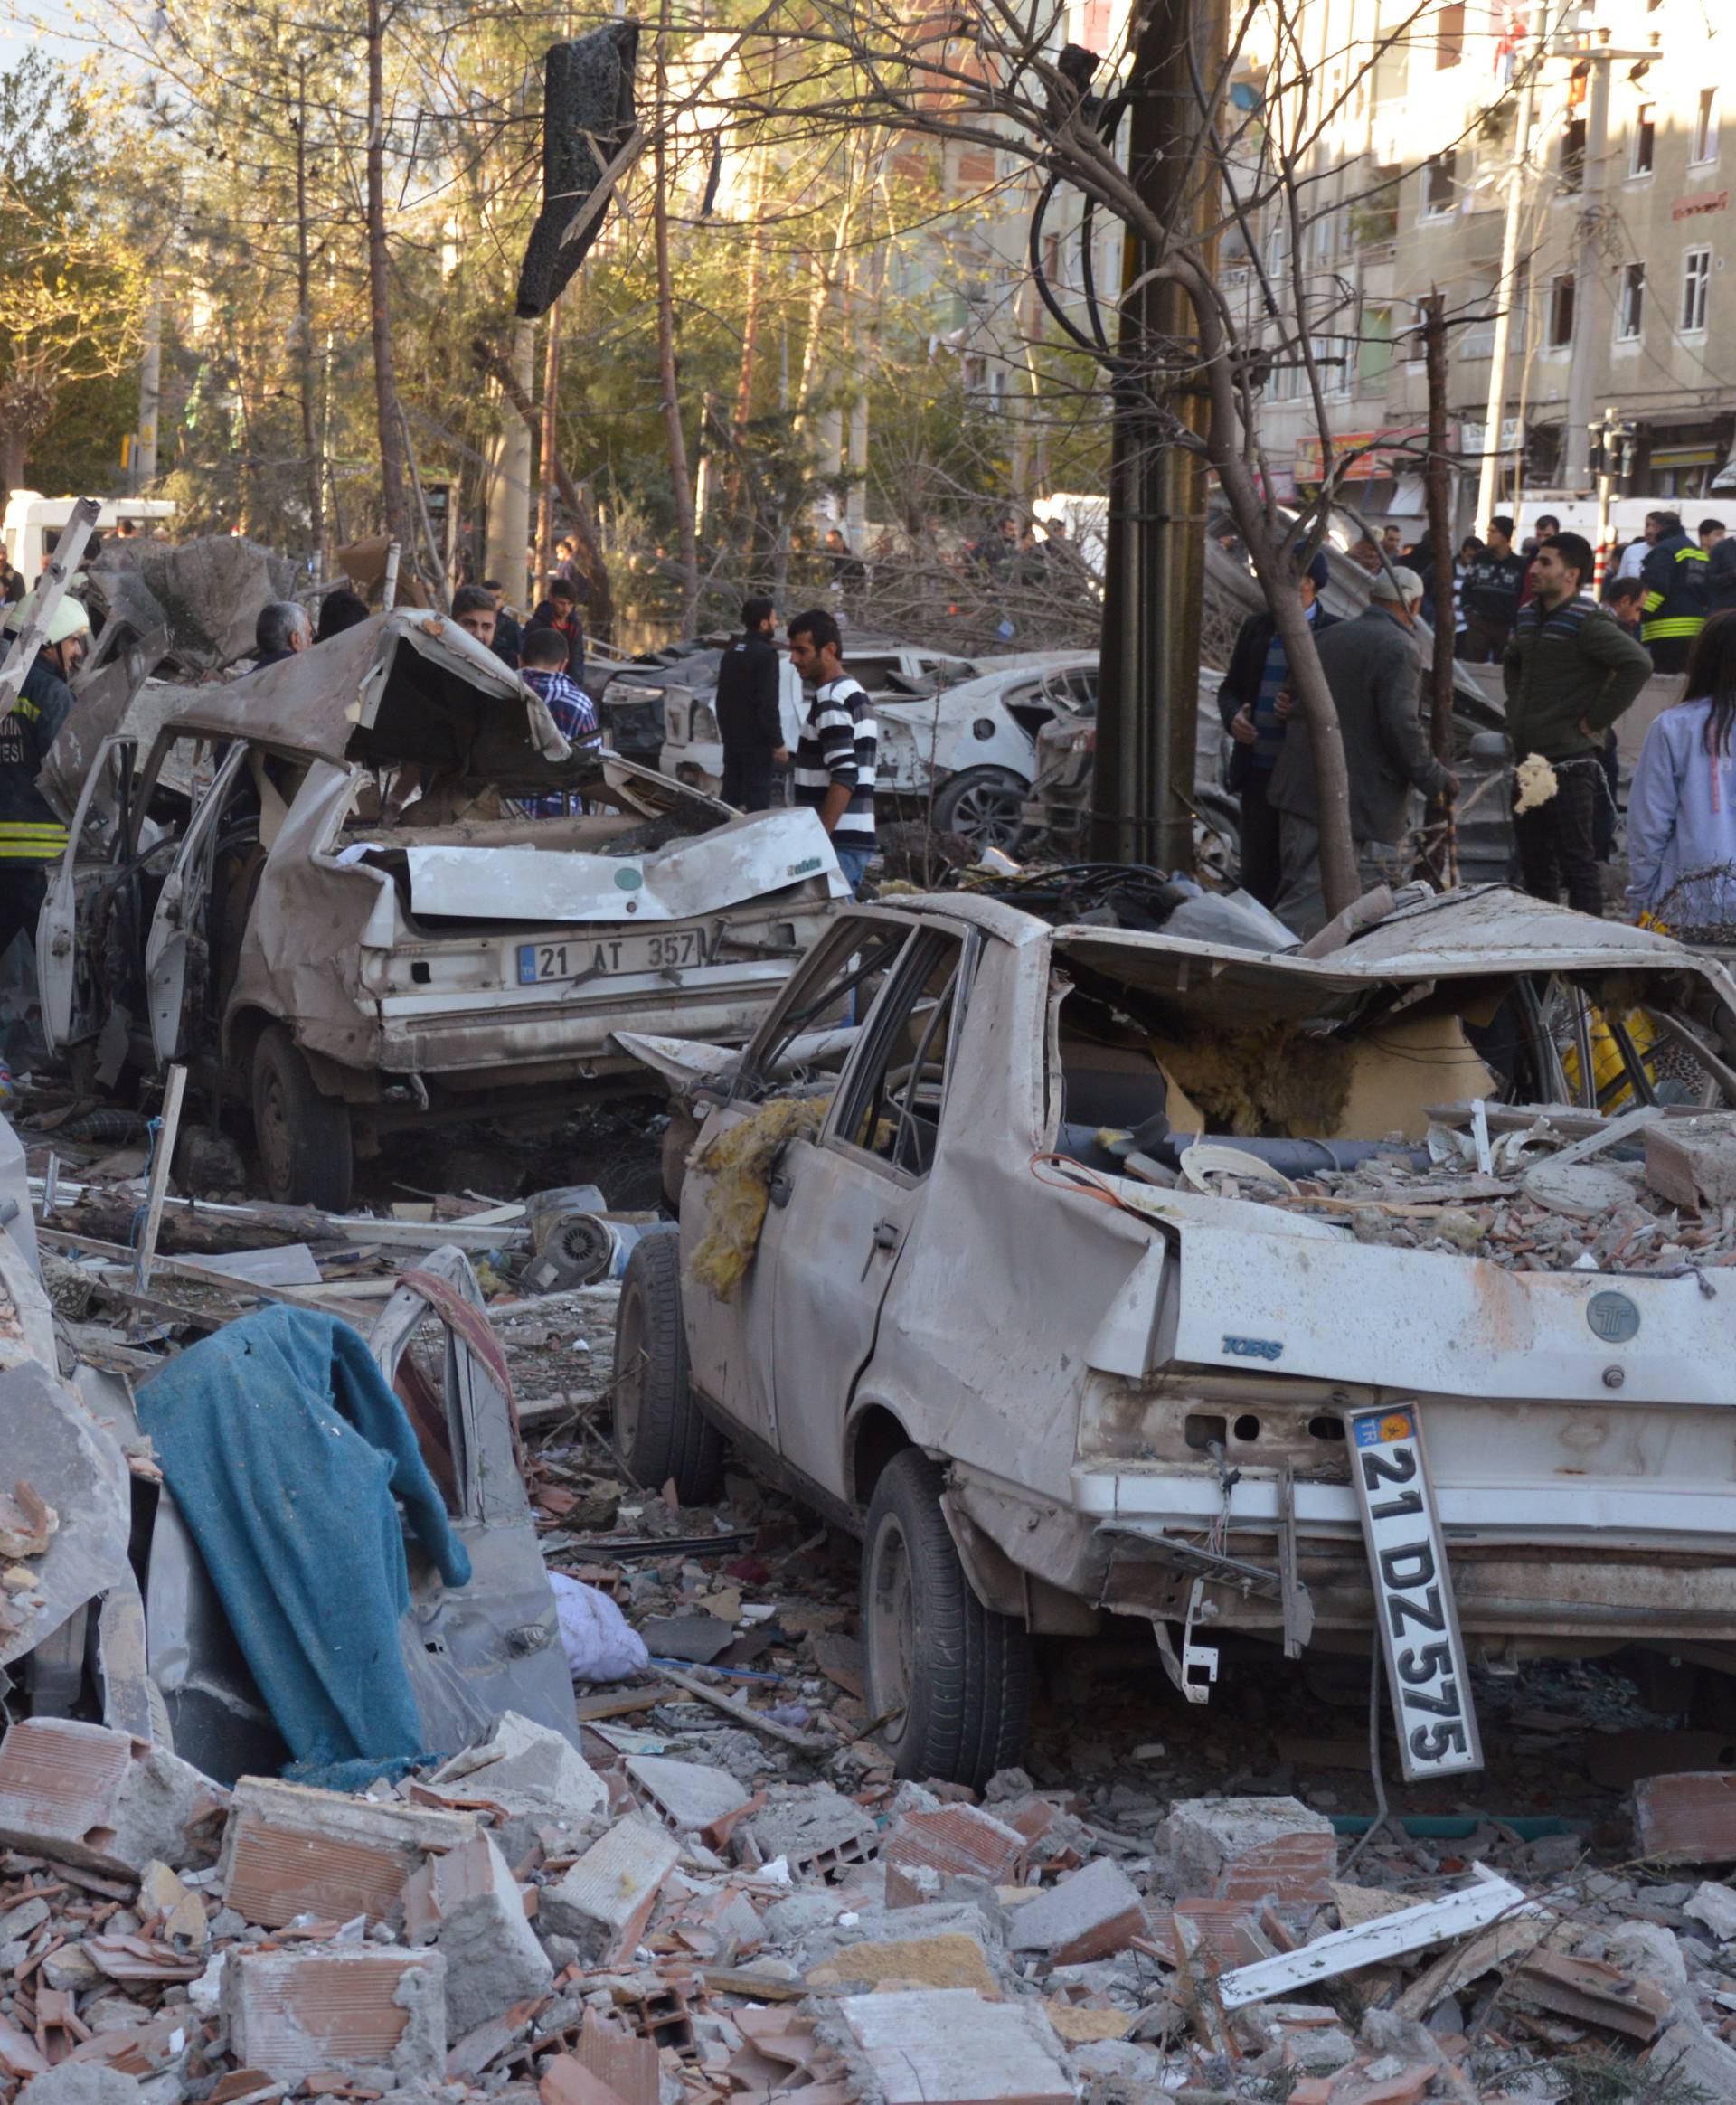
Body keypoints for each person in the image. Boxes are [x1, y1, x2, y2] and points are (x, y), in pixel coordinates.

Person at [1268, 567, 1456, 938]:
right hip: (1343, 799)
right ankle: (1260, 977)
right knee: (1308, 908)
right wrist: (1434, 777)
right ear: (1414, 604)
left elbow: (1290, 702)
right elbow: (1402, 727)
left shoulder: (1328, 636)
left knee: (1307, 893)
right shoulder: (1399, 648)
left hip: (1301, 790)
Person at [1503, 531, 1653, 917]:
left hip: (1571, 762)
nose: (1534, 569)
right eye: (1535, 560)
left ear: (1571, 574)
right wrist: (1516, 707)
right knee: (1535, 864)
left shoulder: (1587, 621)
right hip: (1533, 762)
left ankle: (1586, 966)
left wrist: (1595, 721)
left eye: (1545, 562)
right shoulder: (1527, 615)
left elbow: (1637, 664)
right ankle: (1541, 958)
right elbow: (1513, 659)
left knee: (1577, 864)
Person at [1216, 546, 1337, 908]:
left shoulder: (1333, 635)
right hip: (1257, 775)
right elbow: (1229, 690)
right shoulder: (1258, 628)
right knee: (1256, 877)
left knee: (1297, 878)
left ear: (1309, 582)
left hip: (1303, 783)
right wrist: (1234, 716)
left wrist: (1300, 712)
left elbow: (1338, 711)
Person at [1627, 612, 1736, 919]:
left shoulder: (1673, 727)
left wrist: (1641, 903)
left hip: (1688, 906)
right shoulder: (1673, 728)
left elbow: (1647, 826)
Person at [0, 597, 89, 960]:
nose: (78, 650)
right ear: (49, 643)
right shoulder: (51, 694)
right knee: (67, 965)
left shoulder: (7, 689)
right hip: (40, 862)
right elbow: (70, 773)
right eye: (73, 640)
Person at [787, 607, 876, 895]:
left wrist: (818, 840)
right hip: (849, 838)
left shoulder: (831, 699)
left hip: (837, 842)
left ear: (829, 650)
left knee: (831, 935)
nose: (793, 659)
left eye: (801, 651)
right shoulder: (853, 692)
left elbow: (845, 774)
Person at [714, 595, 787, 812]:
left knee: (730, 798)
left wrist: (727, 734)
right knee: (757, 801)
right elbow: (767, 704)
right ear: (763, 623)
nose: (776, 623)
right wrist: (778, 742)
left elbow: (722, 700)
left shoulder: (731, 653)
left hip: (732, 741)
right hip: (756, 744)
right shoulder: (766, 655)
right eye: (774, 619)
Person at [517, 624, 598, 817]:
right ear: (564, 665)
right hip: (561, 821)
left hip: (503, 813)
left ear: (520, 661)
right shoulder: (581, 705)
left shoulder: (498, 694)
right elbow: (593, 771)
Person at [1639, 510, 1712, 672]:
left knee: (1663, 687)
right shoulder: (1698, 553)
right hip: (1696, 630)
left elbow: (1657, 587)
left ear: (1659, 527)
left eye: (1651, 526)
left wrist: (1641, 614)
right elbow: (1707, 593)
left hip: (1665, 631)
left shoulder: (1665, 550)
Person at [1458, 516, 1527, 662]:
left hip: (1504, 627)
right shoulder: (1479, 559)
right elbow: (1467, 587)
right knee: (1474, 667)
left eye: (1493, 531)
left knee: (1502, 669)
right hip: (1479, 624)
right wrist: (1469, 613)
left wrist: (1514, 625)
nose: (1488, 534)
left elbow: (1521, 595)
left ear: (1504, 536)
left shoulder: (1519, 565)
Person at [528, 577, 586, 686]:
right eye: (562, 603)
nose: (566, 609)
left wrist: (575, 685)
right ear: (551, 599)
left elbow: (577, 658)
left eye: (570, 604)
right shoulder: (537, 625)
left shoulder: (575, 625)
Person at [453, 583, 518, 670]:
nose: (478, 634)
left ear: (494, 628)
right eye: (469, 624)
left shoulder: (503, 670)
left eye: (486, 627)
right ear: (452, 622)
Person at [477, 580, 522, 667]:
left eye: (497, 598)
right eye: (489, 597)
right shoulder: (472, 622)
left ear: (502, 601)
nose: (493, 602)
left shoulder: (511, 626)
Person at [252, 601, 310, 668]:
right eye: (309, 634)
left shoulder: (249, 677)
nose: (311, 640)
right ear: (295, 639)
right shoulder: (307, 674)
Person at [1617, 511, 1665, 582]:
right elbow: (1621, 581)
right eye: (1647, 525)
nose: (1649, 531)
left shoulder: (1667, 552)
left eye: (1655, 527)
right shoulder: (1631, 551)